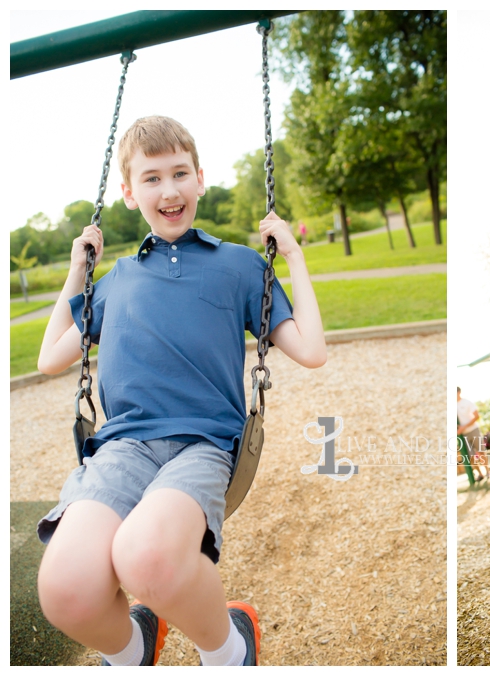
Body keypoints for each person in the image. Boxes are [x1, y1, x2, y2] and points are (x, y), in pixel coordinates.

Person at [35, 116, 327, 665]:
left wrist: (293, 256)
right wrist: (78, 273)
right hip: (123, 448)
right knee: (65, 590)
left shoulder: (238, 266)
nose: (168, 190)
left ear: (200, 179)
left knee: (145, 559)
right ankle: (133, 649)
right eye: (151, 178)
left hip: (203, 447)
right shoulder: (116, 280)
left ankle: (228, 650)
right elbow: (50, 358)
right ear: (127, 193)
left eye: (179, 174)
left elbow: (311, 348)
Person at [457, 387, 488, 482]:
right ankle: (480, 474)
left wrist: (464, 427)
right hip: (463, 435)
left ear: (459, 392)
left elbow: (477, 416)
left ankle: (488, 472)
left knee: (481, 452)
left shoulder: (467, 402)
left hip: (473, 429)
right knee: (469, 456)